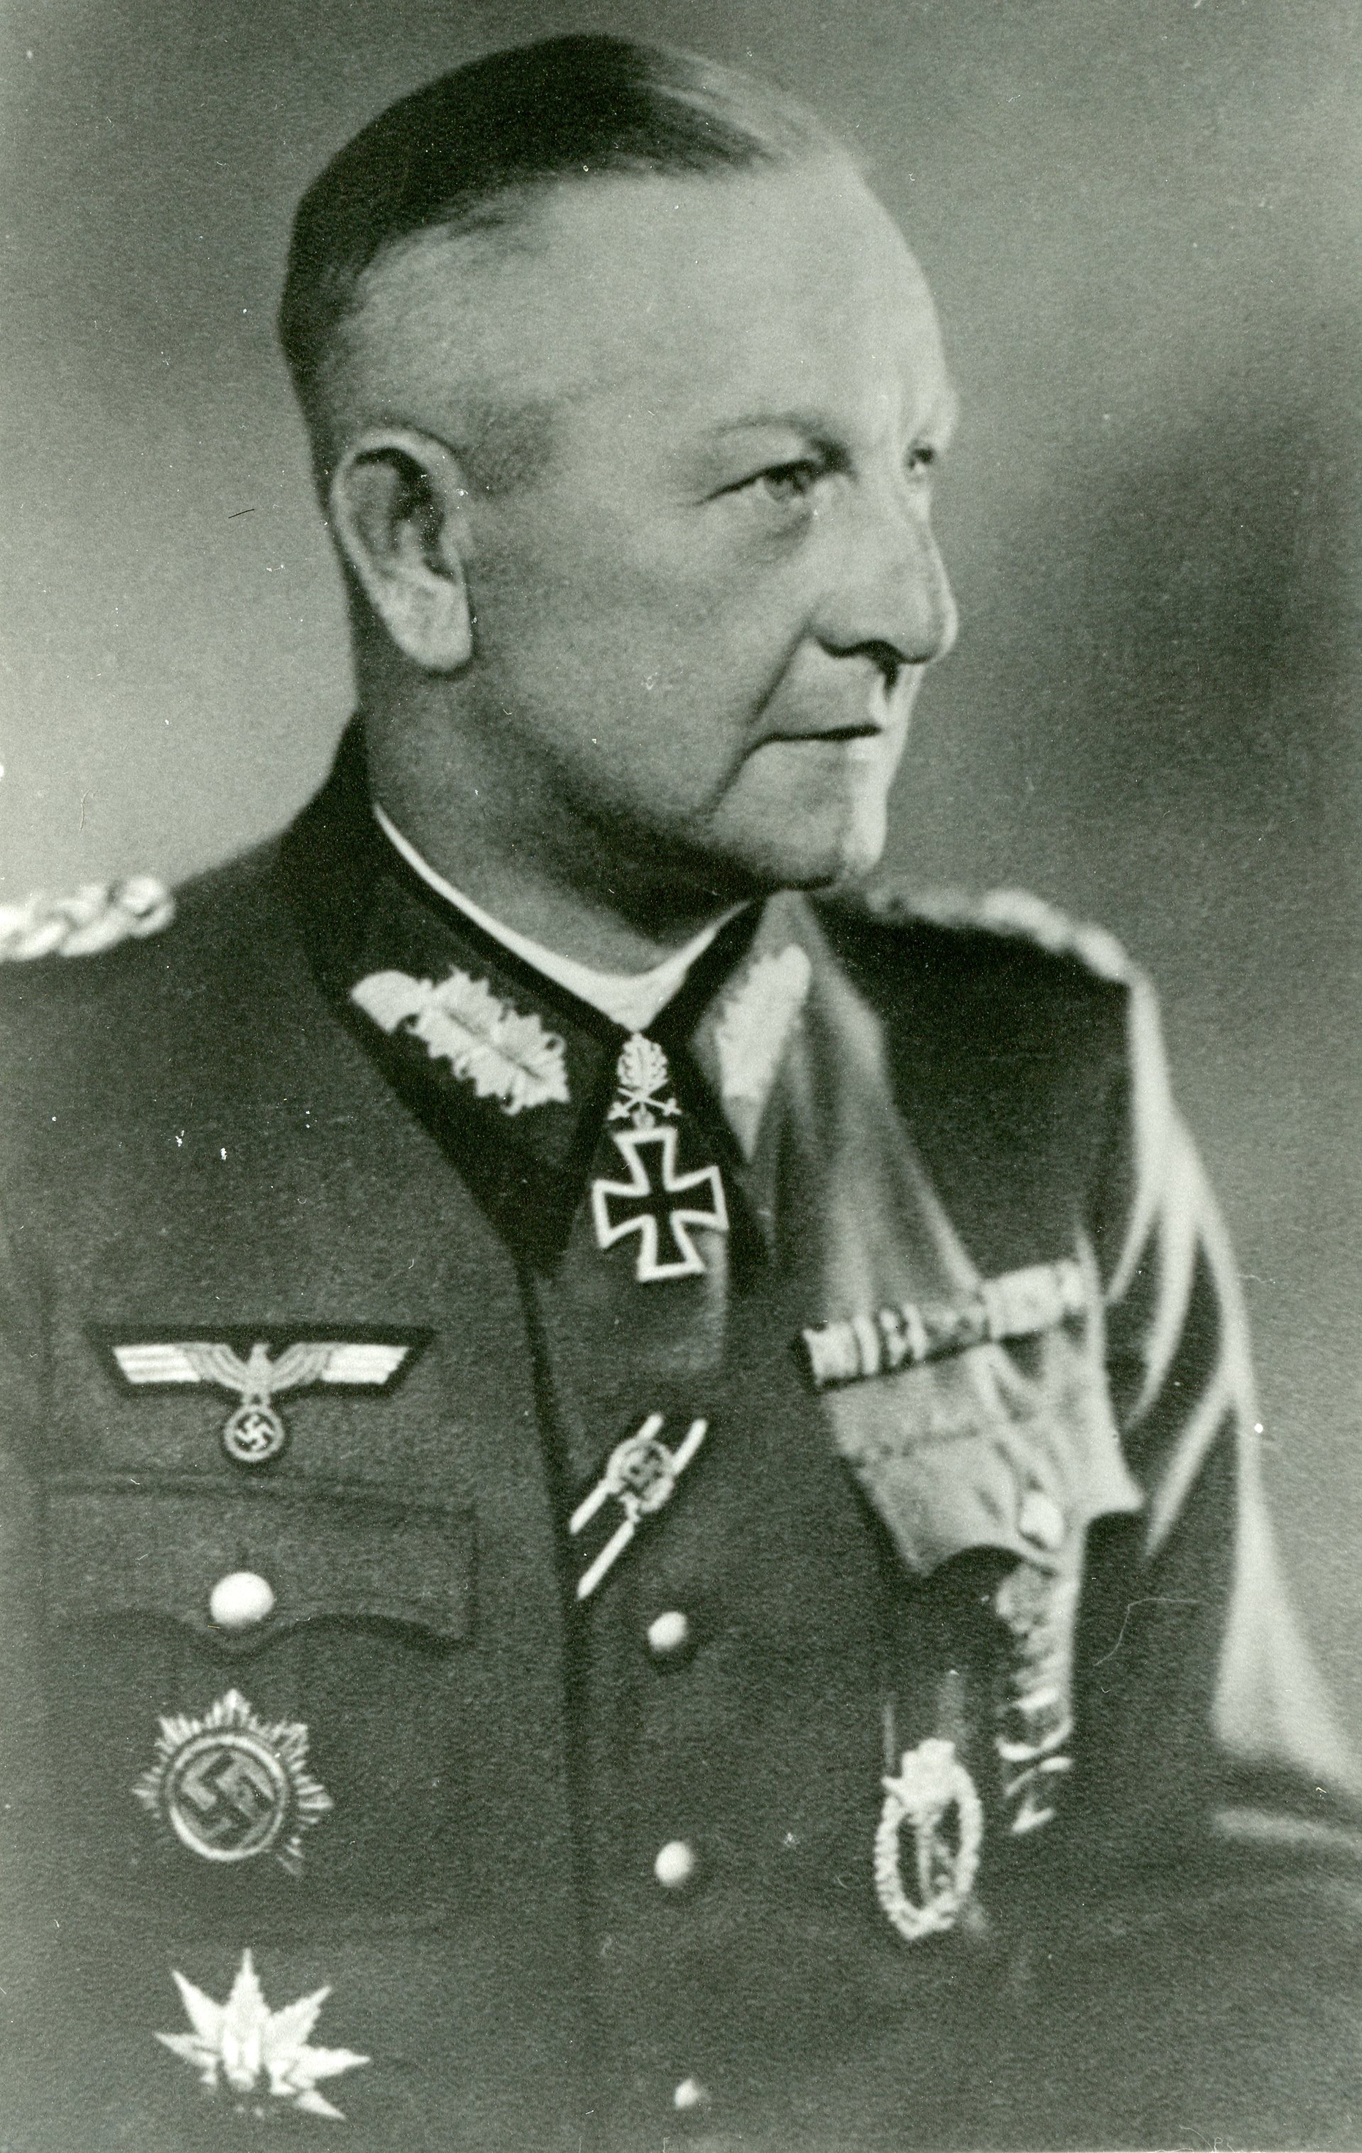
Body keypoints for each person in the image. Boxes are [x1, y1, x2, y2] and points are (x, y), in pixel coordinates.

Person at [1, 33, 1359, 2153]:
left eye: (916, 469)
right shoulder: (46, 1122)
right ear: (419, 545)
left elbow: (1234, 1917)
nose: (916, 608)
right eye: (782, 484)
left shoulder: (1034, 1091)